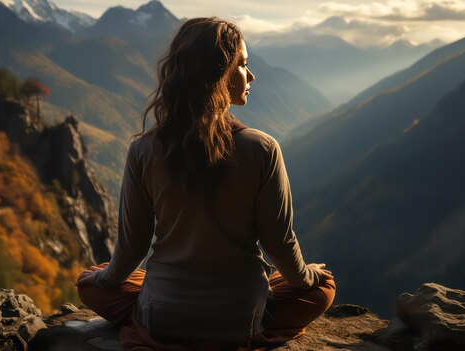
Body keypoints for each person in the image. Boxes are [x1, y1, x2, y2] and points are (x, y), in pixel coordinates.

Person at [75, 17, 336, 351]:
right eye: (242, 64)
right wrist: (310, 277)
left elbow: (132, 247)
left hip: (162, 315)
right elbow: (279, 244)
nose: (251, 75)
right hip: (240, 318)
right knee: (323, 285)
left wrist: (101, 279)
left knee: (89, 281)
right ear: (218, 74)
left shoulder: (142, 149)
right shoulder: (262, 149)